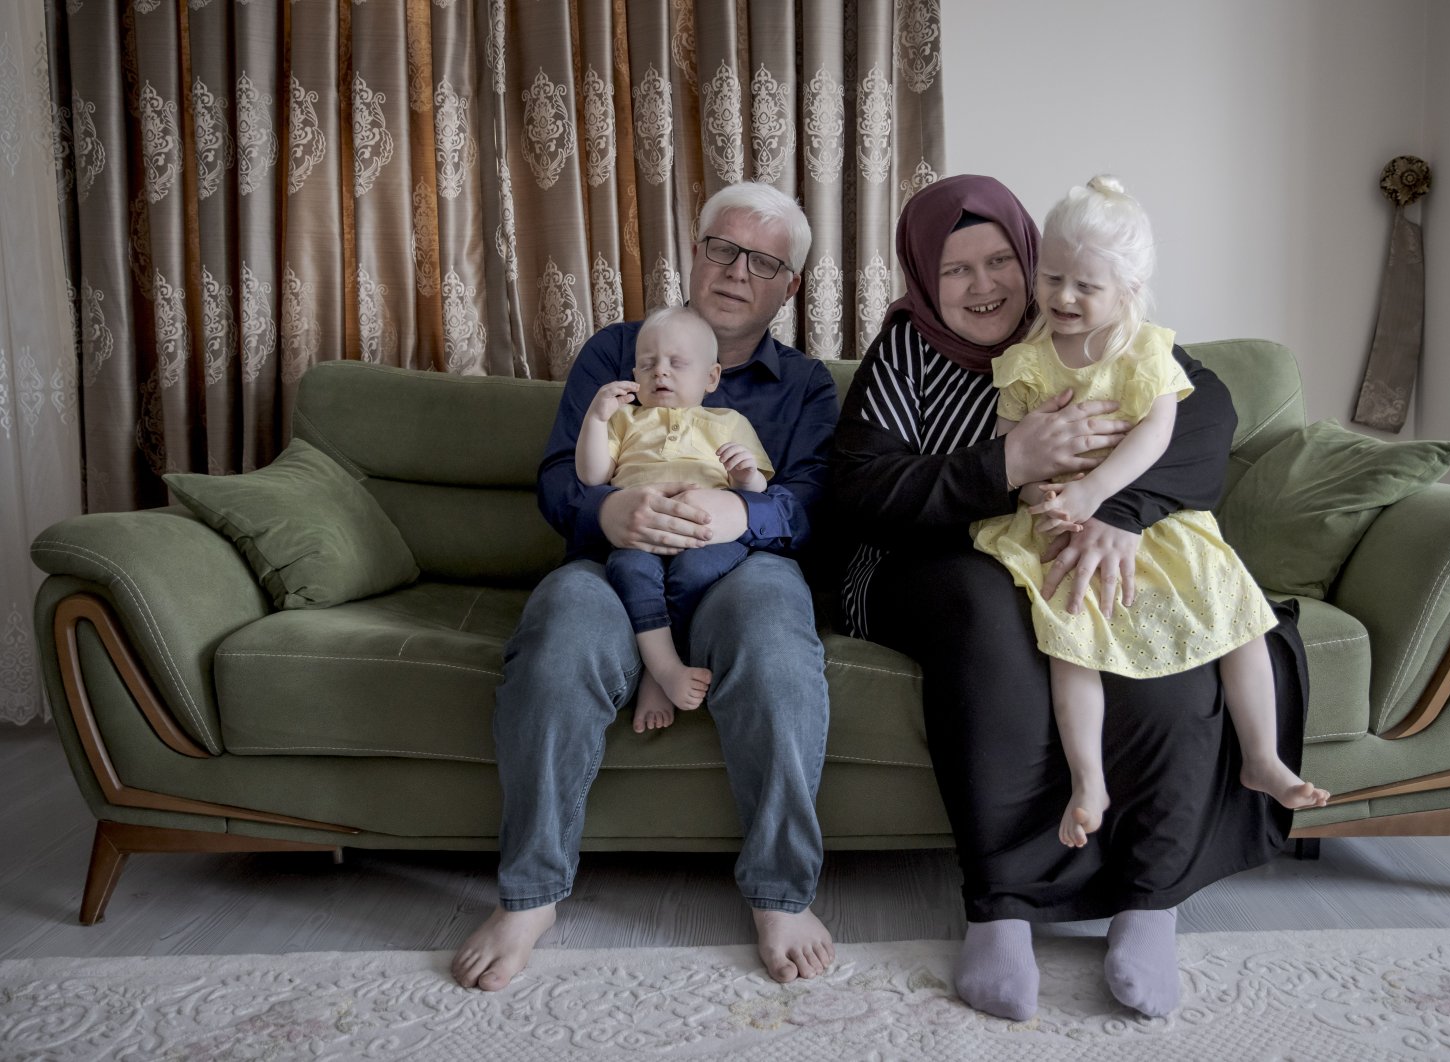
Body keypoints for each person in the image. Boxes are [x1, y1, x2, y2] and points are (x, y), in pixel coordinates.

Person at [831, 175, 1310, 1021]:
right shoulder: (903, 354)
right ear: (920, 277)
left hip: (1064, 539)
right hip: (928, 557)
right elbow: (862, 493)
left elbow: (1202, 414)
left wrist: (1119, 517)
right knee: (990, 620)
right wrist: (1007, 463)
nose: (983, 286)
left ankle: (1149, 900)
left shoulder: (1087, 325)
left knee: (1158, 634)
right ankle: (1001, 912)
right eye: (954, 270)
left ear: (1033, 258)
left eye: (999, 261)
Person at [452, 181, 839, 992]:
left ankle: (779, 893)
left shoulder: (805, 386)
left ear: (789, 285)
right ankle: (530, 894)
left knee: (774, 632)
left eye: (763, 261)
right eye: (721, 248)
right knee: (560, 625)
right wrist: (614, 508)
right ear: (694, 252)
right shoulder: (615, 353)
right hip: (611, 564)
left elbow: (813, 505)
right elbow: (561, 481)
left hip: (743, 567)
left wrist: (742, 516)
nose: (736, 271)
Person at [971, 176, 1329, 850]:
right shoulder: (1024, 360)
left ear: (1130, 291)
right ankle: (1088, 781)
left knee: (1242, 616)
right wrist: (1036, 494)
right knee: (1068, 638)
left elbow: (1156, 435)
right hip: (1059, 517)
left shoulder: (1142, 350)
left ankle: (1262, 757)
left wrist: (1098, 490)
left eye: (1086, 286)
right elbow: (1006, 445)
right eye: (1051, 278)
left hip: (1141, 512)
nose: (1063, 297)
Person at [575, 306, 774, 732]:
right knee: (629, 571)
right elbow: (591, 476)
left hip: (706, 538)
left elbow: (755, 496)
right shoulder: (626, 420)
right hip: (638, 537)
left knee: (695, 574)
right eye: (648, 365)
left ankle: (658, 668)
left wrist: (745, 475)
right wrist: (595, 419)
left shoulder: (727, 422)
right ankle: (663, 669)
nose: (660, 373)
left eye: (676, 364)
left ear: (711, 378)